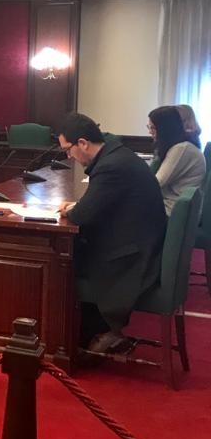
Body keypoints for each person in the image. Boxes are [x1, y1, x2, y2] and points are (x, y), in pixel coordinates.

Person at [55, 112, 166, 355]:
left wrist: (73, 209)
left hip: (134, 257)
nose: (68, 156)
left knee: (60, 263)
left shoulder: (111, 167)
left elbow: (81, 216)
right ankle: (88, 332)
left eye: (68, 150)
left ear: (83, 143)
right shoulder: (116, 155)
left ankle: (75, 338)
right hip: (141, 242)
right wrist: (77, 207)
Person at [148, 105, 206, 216]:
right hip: (170, 206)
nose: (150, 132)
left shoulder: (182, 149)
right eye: (149, 127)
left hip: (171, 210)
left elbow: (157, 182)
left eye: (153, 128)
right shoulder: (181, 147)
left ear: (165, 128)